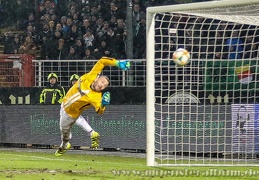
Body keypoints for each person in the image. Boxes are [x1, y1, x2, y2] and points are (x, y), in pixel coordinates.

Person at [55, 57, 130, 156]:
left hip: (70, 114)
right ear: (97, 78)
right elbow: (103, 61)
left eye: (105, 86)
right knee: (69, 125)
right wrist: (117, 63)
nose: (102, 85)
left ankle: (65, 145)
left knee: (64, 130)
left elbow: (99, 111)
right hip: (64, 103)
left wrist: (103, 104)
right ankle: (90, 132)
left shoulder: (96, 97)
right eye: (102, 82)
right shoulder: (92, 75)